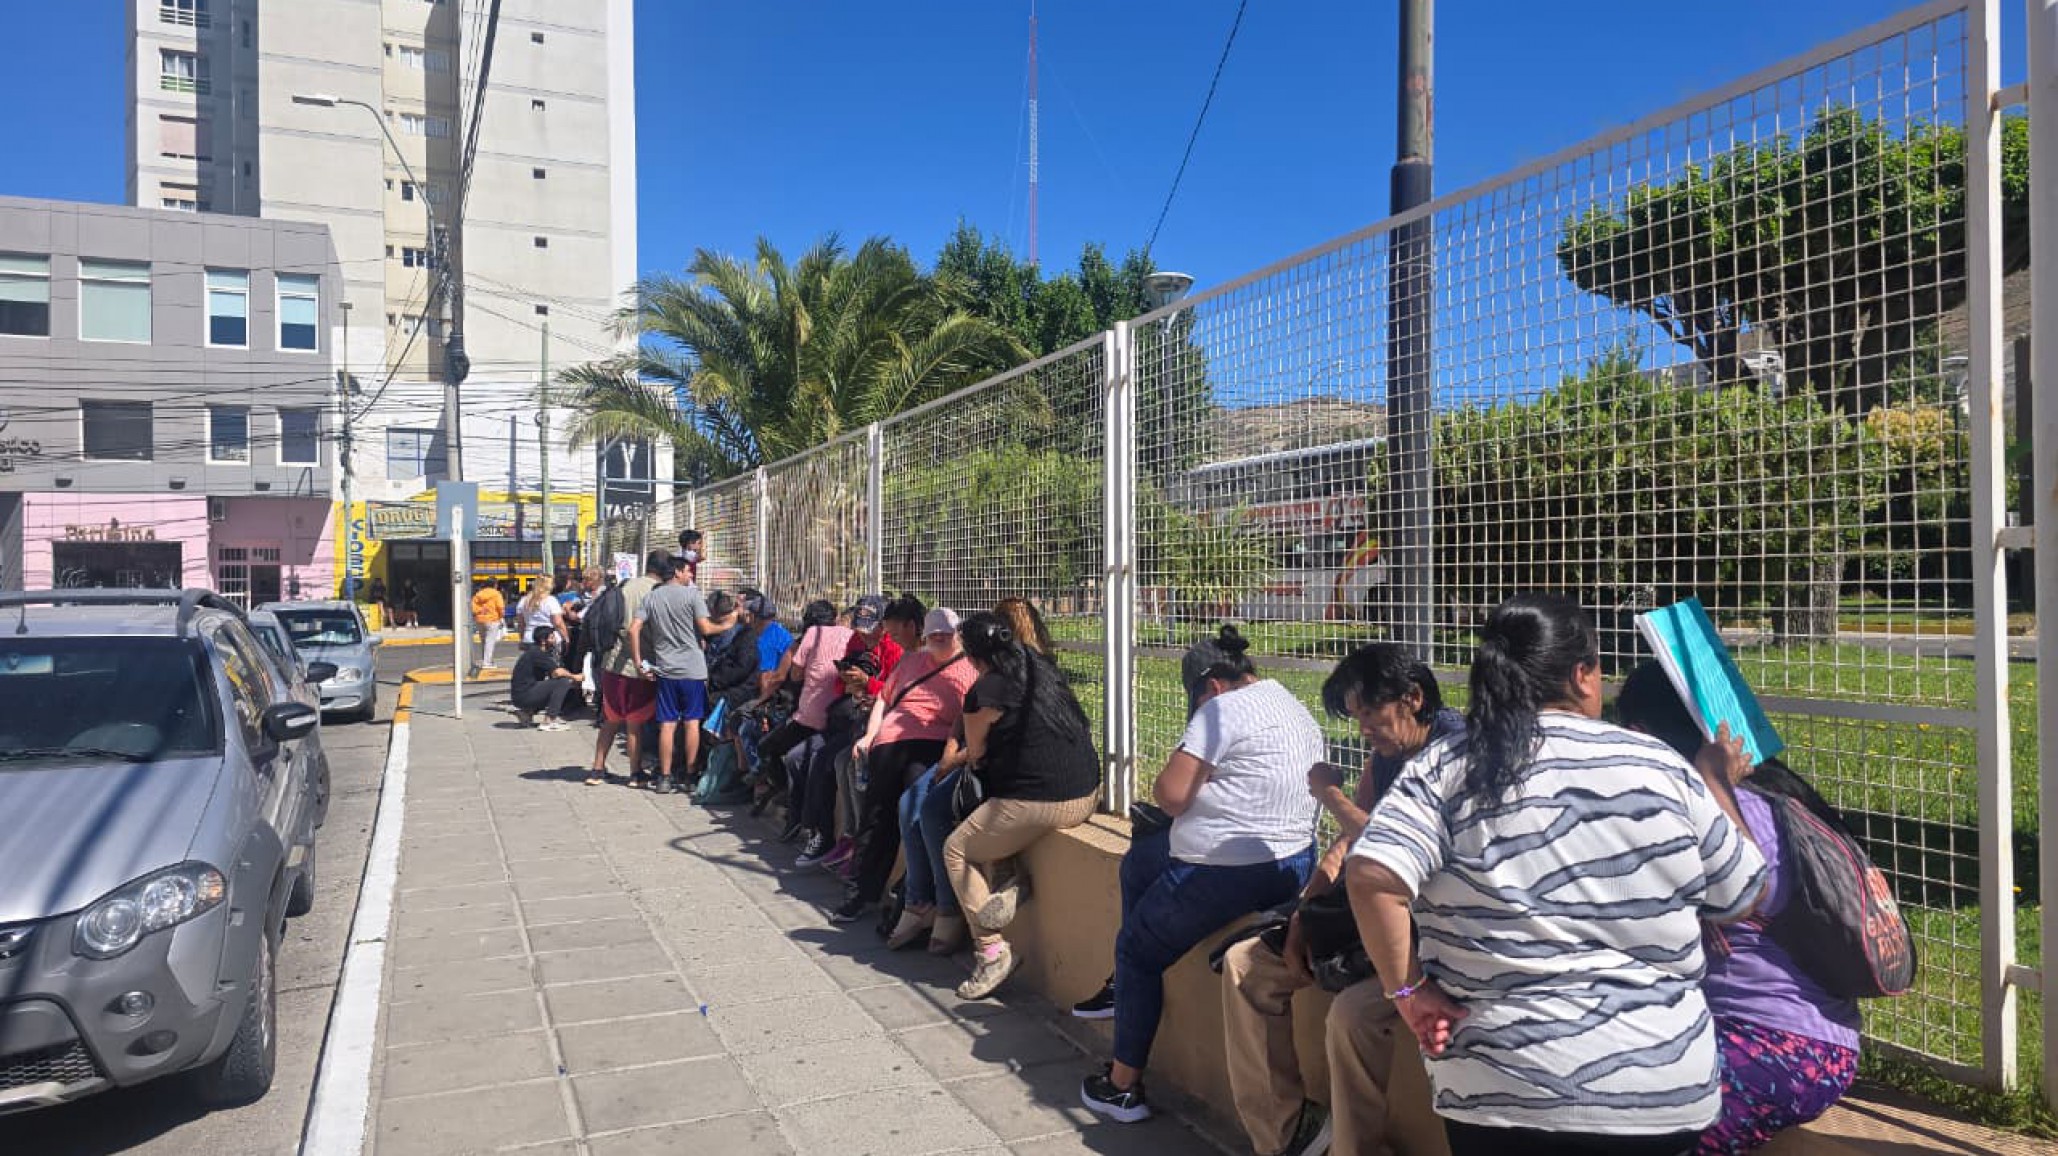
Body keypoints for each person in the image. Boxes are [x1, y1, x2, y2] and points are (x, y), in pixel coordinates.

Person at [1346, 593, 1767, 1156]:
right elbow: (1743, 893)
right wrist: (1715, 777)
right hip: (1658, 1089)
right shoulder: (1658, 764)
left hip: (1500, 1088)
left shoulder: (1445, 766)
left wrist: (1409, 992)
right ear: (1583, 674)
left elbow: (1373, 876)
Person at [1213, 643, 1465, 1156]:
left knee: (1351, 1017)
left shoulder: (1456, 752)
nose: (1363, 730)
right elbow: (1348, 846)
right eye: (1356, 719)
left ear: (1413, 698)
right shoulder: (1389, 752)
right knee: (1246, 966)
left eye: (1370, 715)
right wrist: (1306, 914)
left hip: (1428, 941)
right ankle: (1285, 1139)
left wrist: (1328, 795)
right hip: (1364, 925)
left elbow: (1394, 847)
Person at [1076, 625, 1325, 1125]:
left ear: (1210, 685)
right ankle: (1124, 988)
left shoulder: (1220, 709)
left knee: (1137, 950)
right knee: (1139, 863)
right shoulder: (1289, 701)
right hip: (1295, 860)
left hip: (1229, 871)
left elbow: (1170, 795)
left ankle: (1122, 1086)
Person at [1613, 662, 1860, 1156]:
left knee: (1624, 1128)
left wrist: (1708, 780)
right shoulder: (1776, 795)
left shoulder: (1706, 807)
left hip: (1773, 1044)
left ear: (1642, 735)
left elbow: (1746, 890)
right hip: (1818, 1040)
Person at [944, 610, 1101, 1002]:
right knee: (995, 807)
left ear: (973, 657)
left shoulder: (983, 694)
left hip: (1040, 803)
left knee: (957, 849)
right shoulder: (1041, 669)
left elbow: (976, 753)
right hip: (1088, 794)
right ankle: (1011, 883)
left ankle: (992, 951)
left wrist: (952, 759)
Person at [839, 605, 977, 925]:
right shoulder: (912, 661)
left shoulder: (970, 670)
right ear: (925, 636)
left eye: (947, 634)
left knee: (913, 810)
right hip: (891, 741)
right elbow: (886, 699)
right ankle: (861, 891)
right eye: (935, 635)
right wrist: (870, 736)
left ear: (958, 635)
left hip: (933, 743)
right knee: (876, 816)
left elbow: (968, 720)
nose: (941, 640)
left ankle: (913, 895)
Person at [792, 595, 904, 863]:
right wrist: (853, 687)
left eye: (871, 630)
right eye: (861, 630)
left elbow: (895, 692)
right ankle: (813, 828)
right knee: (800, 757)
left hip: (878, 722)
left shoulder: (895, 649)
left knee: (840, 762)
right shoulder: (856, 642)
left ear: (884, 626)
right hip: (850, 715)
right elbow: (840, 687)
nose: (864, 637)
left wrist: (869, 684)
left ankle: (851, 837)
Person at [627, 559, 731, 795]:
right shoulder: (692, 596)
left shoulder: (652, 597)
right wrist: (728, 624)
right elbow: (705, 629)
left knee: (667, 724)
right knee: (692, 722)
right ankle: (690, 775)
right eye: (687, 571)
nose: (689, 576)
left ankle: (664, 776)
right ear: (677, 572)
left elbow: (633, 629)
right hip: (693, 669)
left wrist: (638, 662)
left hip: (666, 668)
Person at [589, 552, 667, 788]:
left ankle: (597, 769)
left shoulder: (625, 586)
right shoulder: (658, 592)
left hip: (612, 661)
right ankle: (635, 773)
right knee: (634, 722)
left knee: (610, 719)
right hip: (640, 665)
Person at [510, 626, 580, 731]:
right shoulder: (537, 653)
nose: (555, 641)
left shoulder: (535, 651)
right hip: (524, 695)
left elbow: (553, 674)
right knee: (563, 682)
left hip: (521, 695)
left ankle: (526, 713)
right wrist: (575, 677)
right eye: (552, 638)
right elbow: (558, 672)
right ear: (543, 641)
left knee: (557, 685)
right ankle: (549, 720)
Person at [519, 578, 567, 651]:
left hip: (529, 638)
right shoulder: (551, 600)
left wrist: (522, 638)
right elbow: (558, 623)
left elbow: (521, 624)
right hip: (547, 639)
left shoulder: (524, 601)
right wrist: (565, 637)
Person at [469, 579, 506, 674]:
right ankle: (487, 662)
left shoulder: (478, 594)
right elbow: (500, 607)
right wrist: (501, 617)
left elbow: (473, 608)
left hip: (480, 619)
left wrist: (480, 612)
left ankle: (486, 660)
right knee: (490, 641)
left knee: (484, 641)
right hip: (492, 619)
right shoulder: (496, 594)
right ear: (495, 585)